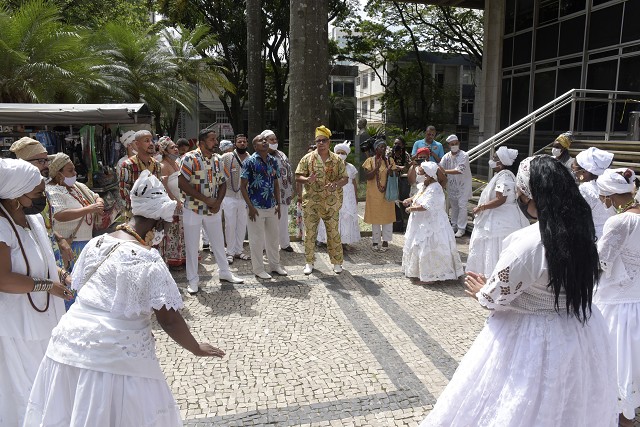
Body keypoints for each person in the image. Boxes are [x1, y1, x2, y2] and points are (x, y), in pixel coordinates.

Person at [421, 155, 618, 426]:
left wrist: (481, 290)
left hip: (531, 336)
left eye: (523, 194)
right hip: (579, 332)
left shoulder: (529, 243)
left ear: (534, 197)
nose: (521, 199)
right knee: (570, 405)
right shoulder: (583, 233)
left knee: (518, 403)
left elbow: (495, 296)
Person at [23, 171, 225, 427]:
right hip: (113, 357)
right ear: (156, 223)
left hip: (67, 344)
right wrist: (196, 348)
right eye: (165, 223)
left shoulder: (96, 243)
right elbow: (169, 320)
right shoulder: (148, 258)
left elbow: (81, 287)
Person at [0, 159, 71, 426]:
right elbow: (3, 279)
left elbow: (44, 257)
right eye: (39, 191)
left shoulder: (34, 219)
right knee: (26, 390)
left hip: (45, 320)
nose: (44, 196)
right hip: (17, 327)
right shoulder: (2, 226)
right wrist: (47, 285)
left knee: (48, 385)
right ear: (17, 194)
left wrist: (59, 274)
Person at [594, 168, 640, 427]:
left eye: (603, 197)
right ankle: (626, 413)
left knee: (614, 359)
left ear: (611, 196)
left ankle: (620, 416)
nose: (602, 202)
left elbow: (601, 261)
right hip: (637, 301)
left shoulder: (620, 222)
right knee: (631, 362)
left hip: (615, 303)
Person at [179, 129, 243, 294]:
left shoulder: (217, 159)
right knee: (193, 246)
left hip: (213, 209)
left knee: (218, 243)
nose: (216, 142)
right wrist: (205, 199)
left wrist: (217, 202)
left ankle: (225, 272)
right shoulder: (189, 158)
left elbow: (222, 182)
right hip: (193, 208)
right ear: (201, 142)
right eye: (212, 140)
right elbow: (182, 183)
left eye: (216, 139)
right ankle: (193, 280)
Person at [9, 137, 74, 268]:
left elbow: (44, 224)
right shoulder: (15, 196)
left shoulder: (43, 191)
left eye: (46, 160)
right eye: (41, 161)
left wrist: (60, 239)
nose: (46, 165)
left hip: (52, 257)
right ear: (23, 163)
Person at [466, 146, 529, 277]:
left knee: (495, 245)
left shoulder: (504, 177)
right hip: (506, 216)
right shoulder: (506, 175)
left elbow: (500, 199)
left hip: (501, 218)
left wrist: (481, 207)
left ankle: (493, 276)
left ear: (501, 163)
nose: (492, 160)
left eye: (495, 158)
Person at [295, 125, 349, 275]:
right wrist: (307, 179)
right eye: (318, 140)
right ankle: (309, 262)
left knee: (333, 233)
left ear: (329, 142)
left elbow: (345, 178)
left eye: (324, 140)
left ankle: (337, 263)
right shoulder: (307, 158)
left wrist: (336, 184)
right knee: (310, 234)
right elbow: (298, 176)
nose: (321, 143)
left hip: (332, 203)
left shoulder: (337, 160)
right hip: (311, 203)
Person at [402, 162, 463, 284]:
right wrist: (409, 200)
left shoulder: (435, 188)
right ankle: (420, 272)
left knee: (428, 246)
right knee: (419, 245)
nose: (418, 175)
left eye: (420, 173)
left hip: (432, 224)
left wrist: (411, 209)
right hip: (422, 222)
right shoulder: (426, 185)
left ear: (428, 175)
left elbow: (426, 206)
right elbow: (418, 196)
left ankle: (430, 276)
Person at [240, 135, 288, 279]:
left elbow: (276, 184)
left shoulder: (273, 161)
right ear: (255, 146)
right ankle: (258, 269)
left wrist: (278, 204)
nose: (265, 142)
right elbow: (242, 186)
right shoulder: (250, 162)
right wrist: (250, 207)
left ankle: (275, 265)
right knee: (256, 239)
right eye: (261, 141)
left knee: (273, 238)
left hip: (271, 205)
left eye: (265, 140)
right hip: (256, 207)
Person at [317, 141, 361, 248]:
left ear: (346, 154)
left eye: (343, 153)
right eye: (339, 152)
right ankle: (327, 240)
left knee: (346, 217)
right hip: (335, 193)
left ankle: (345, 241)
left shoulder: (351, 167)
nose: (341, 155)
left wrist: (356, 197)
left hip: (348, 196)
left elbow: (354, 183)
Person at [572, 146, 615, 239]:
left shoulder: (585, 190)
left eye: (575, 170)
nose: (575, 174)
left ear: (584, 172)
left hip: (592, 239)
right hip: (610, 236)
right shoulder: (612, 186)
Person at [263, 129, 295, 252]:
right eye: (272, 139)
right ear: (265, 141)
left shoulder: (281, 154)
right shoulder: (263, 155)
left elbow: (289, 172)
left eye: (275, 139)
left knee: (283, 220)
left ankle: (285, 244)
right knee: (269, 222)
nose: (275, 141)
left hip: (284, 193)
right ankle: (266, 246)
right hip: (269, 195)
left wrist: (290, 189)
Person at [362, 139, 397, 252]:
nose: (383, 149)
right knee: (375, 218)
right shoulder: (370, 161)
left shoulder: (390, 160)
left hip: (387, 194)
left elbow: (394, 175)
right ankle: (375, 241)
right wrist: (376, 168)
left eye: (384, 147)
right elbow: (367, 177)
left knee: (387, 218)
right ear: (376, 148)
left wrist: (390, 170)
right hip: (374, 194)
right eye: (381, 147)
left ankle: (386, 242)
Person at [119, 130, 162, 220]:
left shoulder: (157, 164)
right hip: (136, 215)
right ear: (137, 144)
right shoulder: (128, 165)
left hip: (155, 214)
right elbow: (124, 192)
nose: (151, 143)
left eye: (151, 140)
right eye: (146, 141)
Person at [221, 134, 251, 263]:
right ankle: (230, 252)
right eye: (239, 141)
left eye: (244, 141)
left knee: (242, 224)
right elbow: (220, 176)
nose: (242, 143)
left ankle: (239, 251)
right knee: (230, 224)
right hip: (229, 195)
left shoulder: (251, 158)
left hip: (244, 197)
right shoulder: (226, 157)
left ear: (247, 143)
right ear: (235, 143)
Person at [158, 136, 187, 268]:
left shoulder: (177, 163)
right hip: (173, 204)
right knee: (173, 231)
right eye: (172, 147)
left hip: (182, 201)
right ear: (164, 151)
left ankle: (183, 256)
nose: (176, 149)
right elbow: (165, 187)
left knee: (182, 230)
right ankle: (172, 258)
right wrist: (175, 201)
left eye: (176, 147)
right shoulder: (163, 166)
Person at [440, 134, 472, 237]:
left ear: (459, 143)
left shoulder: (464, 155)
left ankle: (461, 228)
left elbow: (460, 170)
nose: (454, 145)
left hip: (463, 185)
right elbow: (440, 167)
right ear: (449, 145)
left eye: (456, 143)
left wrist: (444, 171)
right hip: (452, 185)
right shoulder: (447, 156)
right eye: (452, 144)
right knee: (454, 205)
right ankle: (454, 225)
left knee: (462, 205)